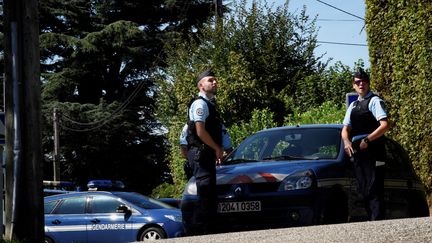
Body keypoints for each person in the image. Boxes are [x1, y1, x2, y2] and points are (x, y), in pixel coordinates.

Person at [341, 68, 389, 221]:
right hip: (358, 151)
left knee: (375, 186)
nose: (361, 84)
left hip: (374, 149)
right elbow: (345, 129)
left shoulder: (375, 101)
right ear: (353, 86)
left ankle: (378, 221)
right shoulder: (353, 105)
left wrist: (367, 140)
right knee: (363, 188)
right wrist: (347, 141)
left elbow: (384, 125)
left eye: (364, 81)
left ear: (368, 83)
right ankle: (371, 222)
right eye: (357, 82)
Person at [183, 68, 225, 235]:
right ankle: (198, 233)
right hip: (201, 153)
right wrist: (216, 148)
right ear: (201, 85)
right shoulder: (200, 104)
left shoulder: (209, 104)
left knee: (209, 195)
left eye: (215, 80)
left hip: (205, 153)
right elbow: (200, 131)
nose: (214, 82)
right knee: (205, 194)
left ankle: (208, 231)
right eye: (210, 80)